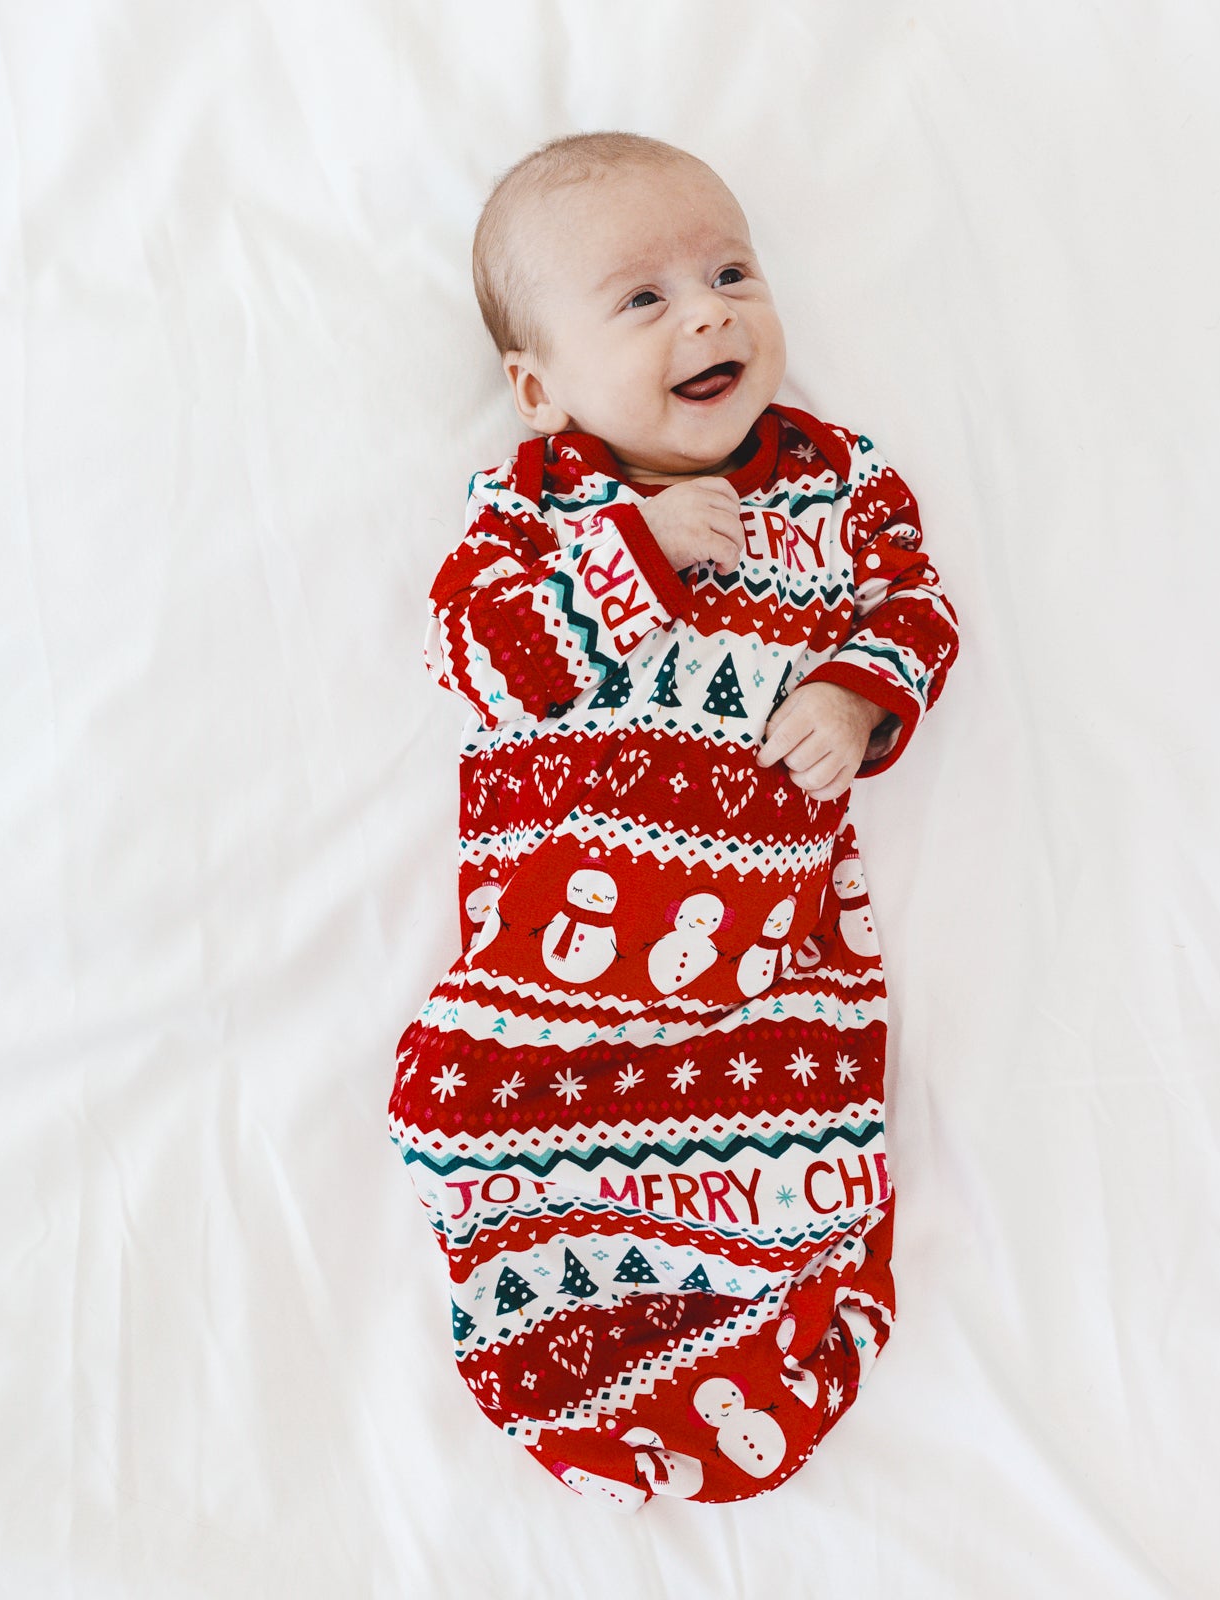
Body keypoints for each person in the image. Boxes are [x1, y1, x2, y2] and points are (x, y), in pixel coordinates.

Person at [388, 130, 959, 1507]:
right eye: (641, 300)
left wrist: (857, 695)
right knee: (468, 1097)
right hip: (557, 994)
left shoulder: (836, 484)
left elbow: (919, 608)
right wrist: (630, 557)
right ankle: (548, 1283)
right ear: (538, 388)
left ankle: (764, 1288)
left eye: (730, 272)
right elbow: (476, 659)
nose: (709, 312)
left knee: (800, 1115)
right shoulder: (536, 511)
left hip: (765, 984)